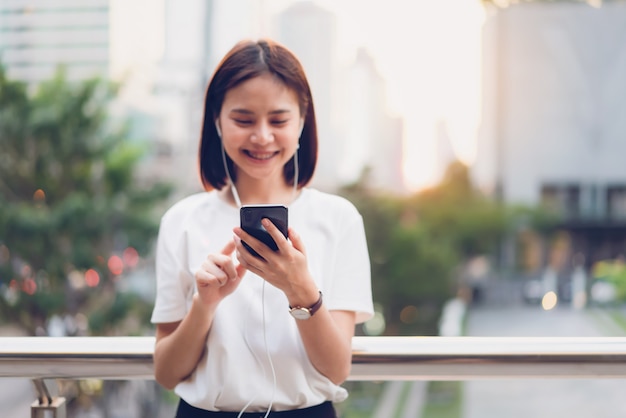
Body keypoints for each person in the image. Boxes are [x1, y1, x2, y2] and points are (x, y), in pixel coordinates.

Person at [151, 38, 374, 417]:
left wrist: (300, 288)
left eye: (279, 120)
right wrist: (204, 305)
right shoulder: (182, 221)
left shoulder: (339, 219)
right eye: (243, 119)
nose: (262, 136)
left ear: (303, 120)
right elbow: (168, 373)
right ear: (216, 121)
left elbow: (337, 370)